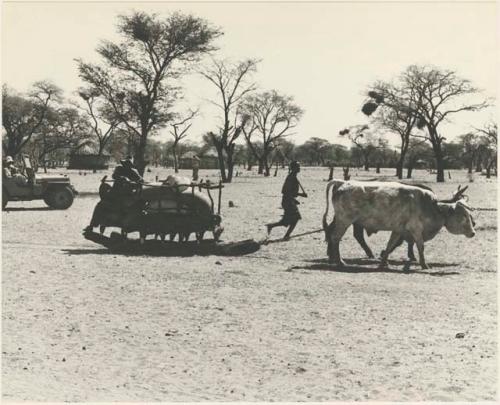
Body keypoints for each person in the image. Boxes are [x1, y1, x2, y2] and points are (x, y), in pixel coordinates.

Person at [266, 160, 307, 240]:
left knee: (287, 220)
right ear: (294, 168)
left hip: (289, 201)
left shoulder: (293, 177)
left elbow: (291, 192)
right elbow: (285, 191)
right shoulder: (291, 177)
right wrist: (300, 194)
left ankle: (272, 226)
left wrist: (295, 198)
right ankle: (286, 235)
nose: (299, 168)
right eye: (298, 167)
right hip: (288, 202)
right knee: (295, 218)